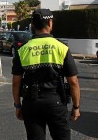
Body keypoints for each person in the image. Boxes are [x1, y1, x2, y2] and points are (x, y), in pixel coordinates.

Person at [12, 9, 80, 140]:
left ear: (32, 24)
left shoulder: (23, 49)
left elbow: (16, 82)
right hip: (56, 102)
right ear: (50, 22)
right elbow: (73, 82)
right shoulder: (62, 48)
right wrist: (76, 107)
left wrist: (18, 105)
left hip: (31, 103)